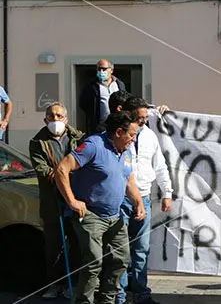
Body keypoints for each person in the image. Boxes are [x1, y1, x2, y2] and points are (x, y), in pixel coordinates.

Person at [55, 111, 146, 304]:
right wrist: (72, 201)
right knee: (93, 262)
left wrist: (138, 202)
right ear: (119, 132)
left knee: (121, 259)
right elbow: (62, 169)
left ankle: (107, 300)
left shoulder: (126, 150)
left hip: (115, 215)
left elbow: (128, 179)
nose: (134, 139)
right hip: (91, 214)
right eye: (131, 134)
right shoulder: (93, 145)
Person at [116, 97, 174, 304]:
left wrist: (167, 192)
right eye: (138, 118)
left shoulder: (150, 136)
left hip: (145, 196)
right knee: (121, 249)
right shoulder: (118, 135)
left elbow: (160, 165)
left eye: (145, 118)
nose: (142, 122)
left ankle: (141, 294)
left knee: (141, 249)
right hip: (121, 198)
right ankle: (120, 296)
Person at [29, 102, 85, 299]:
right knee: (54, 247)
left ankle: (77, 284)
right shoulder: (37, 143)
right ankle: (55, 284)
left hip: (76, 198)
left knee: (77, 244)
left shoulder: (78, 138)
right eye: (51, 117)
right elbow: (43, 170)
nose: (55, 120)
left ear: (66, 119)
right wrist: (62, 175)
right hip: (53, 201)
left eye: (59, 116)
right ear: (45, 120)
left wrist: (67, 175)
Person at [79, 59, 127, 134]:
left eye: (104, 69)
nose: (101, 71)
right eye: (99, 69)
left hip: (117, 125)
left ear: (111, 70)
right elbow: (83, 104)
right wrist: (93, 117)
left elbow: (125, 101)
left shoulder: (119, 84)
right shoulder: (91, 86)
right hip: (100, 127)